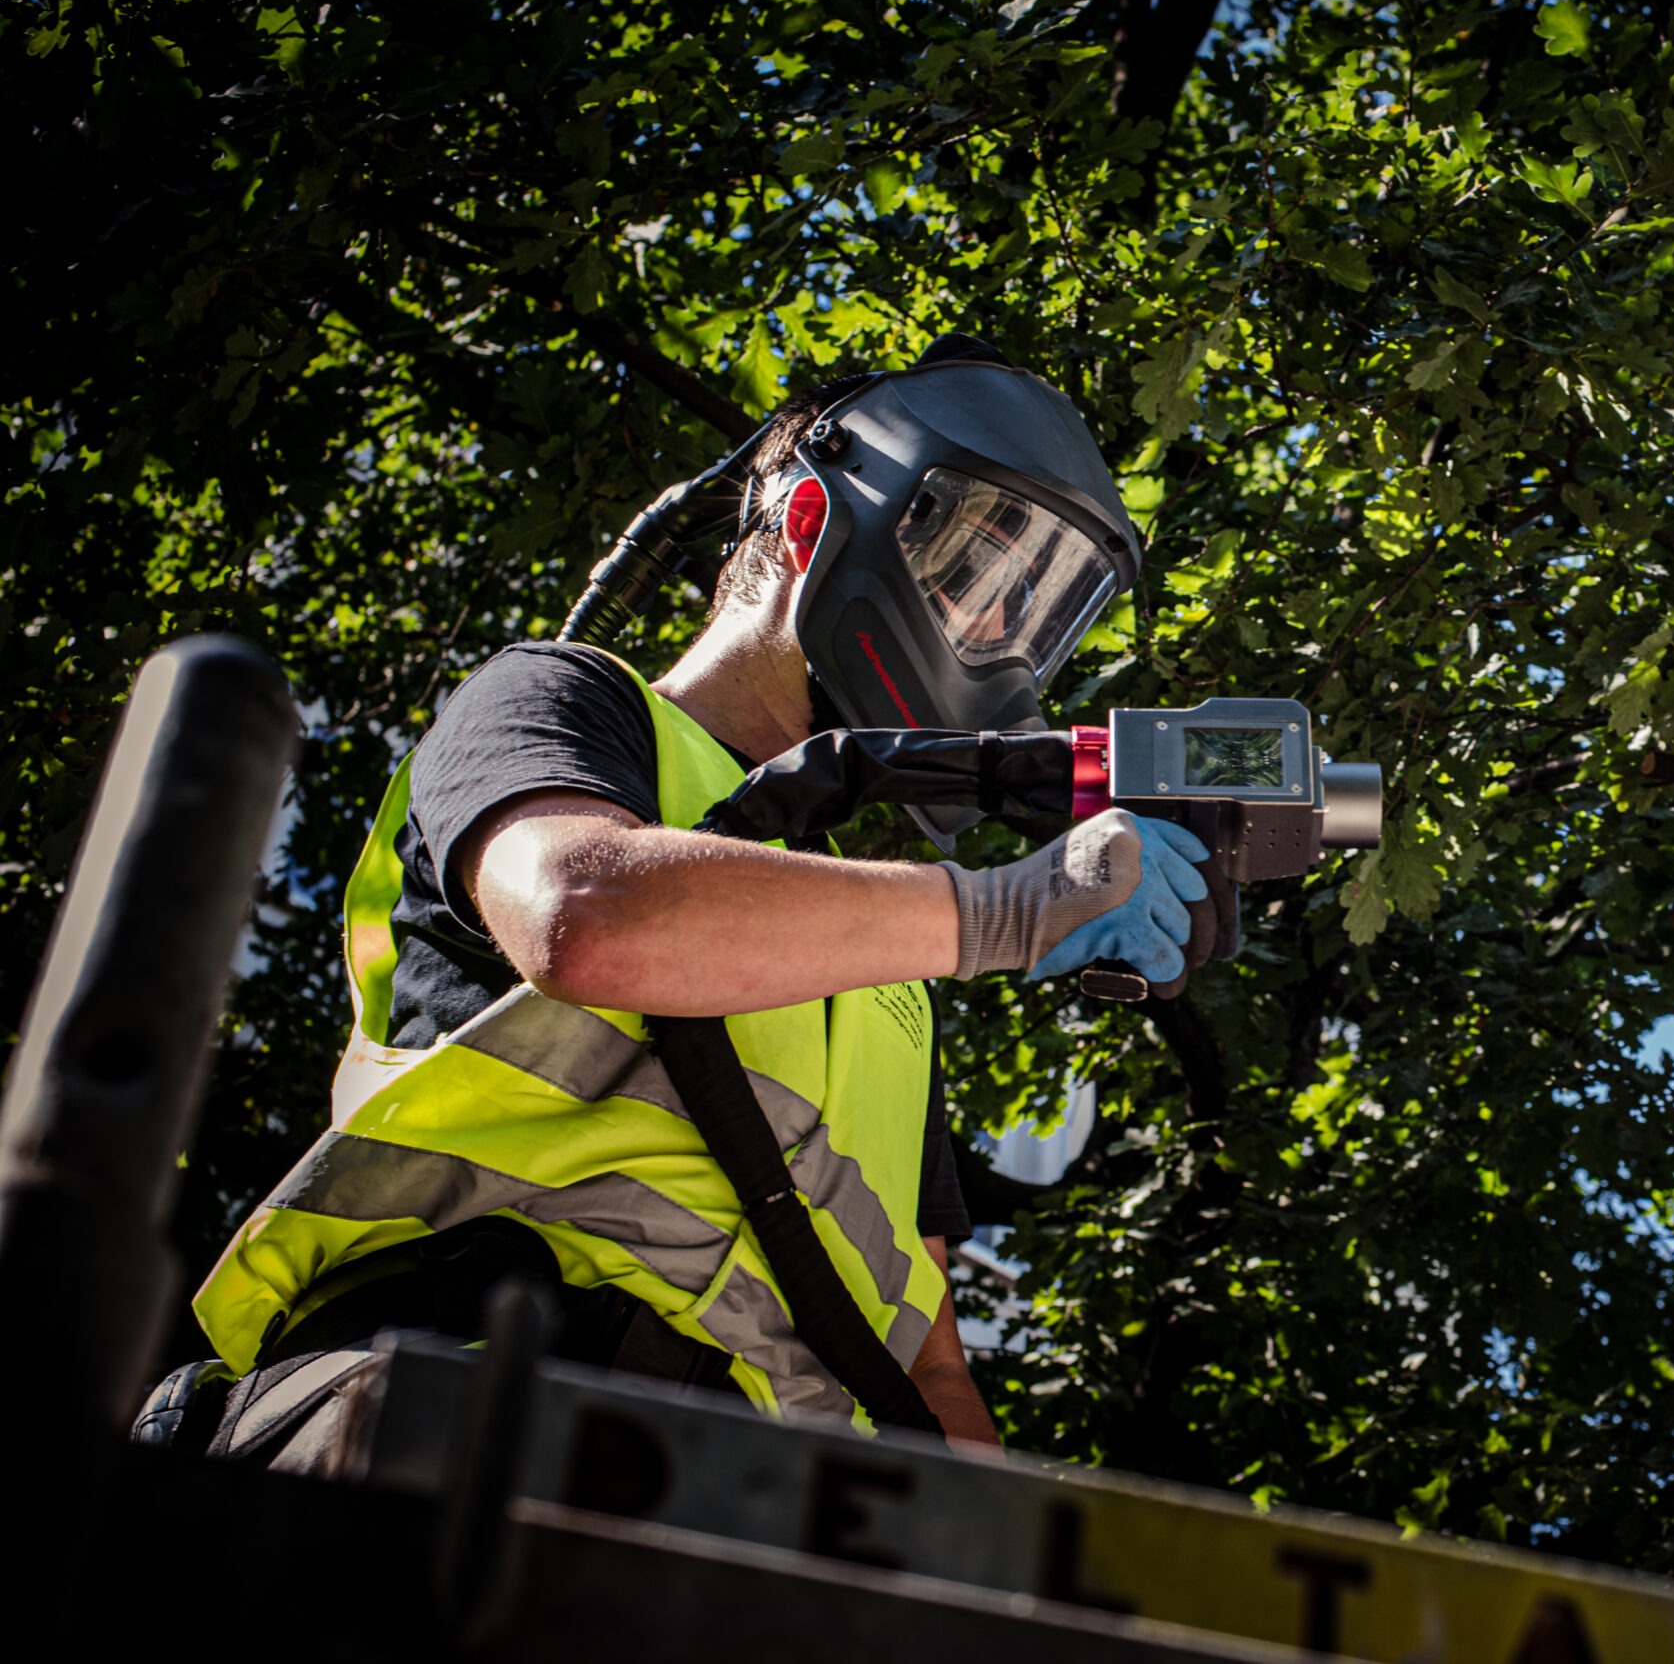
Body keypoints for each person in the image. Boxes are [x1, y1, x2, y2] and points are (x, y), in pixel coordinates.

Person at [150, 338, 1214, 1468]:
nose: (997, 634)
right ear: (809, 518)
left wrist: (986, 1557)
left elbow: (931, 1365)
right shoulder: (562, 699)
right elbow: (580, 912)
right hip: (458, 1408)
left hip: (739, 1502)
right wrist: (1003, 912)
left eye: (1029, 610)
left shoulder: (890, 972)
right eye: (970, 572)